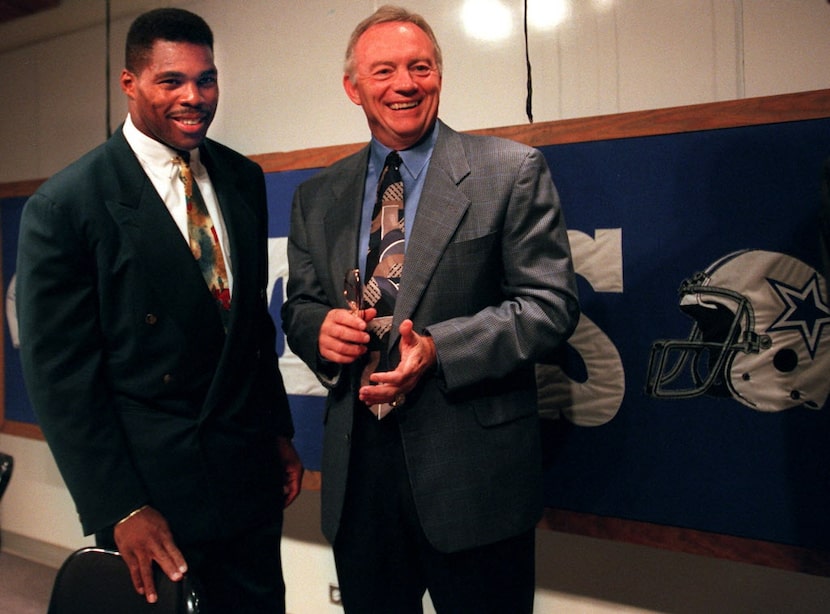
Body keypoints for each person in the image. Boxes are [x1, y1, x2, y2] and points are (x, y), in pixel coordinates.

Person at [281, 5, 579, 612]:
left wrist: (441, 349)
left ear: (439, 75)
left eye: (421, 66)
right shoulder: (317, 195)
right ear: (353, 87)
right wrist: (320, 332)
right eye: (384, 70)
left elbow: (550, 305)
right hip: (359, 481)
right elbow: (300, 306)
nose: (406, 84)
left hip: (475, 482)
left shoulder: (510, 171)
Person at [16, 8, 302, 613]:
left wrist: (277, 431)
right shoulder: (68, 204)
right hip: (154, 502)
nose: (194, 97)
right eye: (171, 81)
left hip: (248, 478)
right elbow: (63, 380)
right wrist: (119, 506)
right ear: (130, 83)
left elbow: (251, 327)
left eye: (207, 79)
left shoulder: (241, 177)